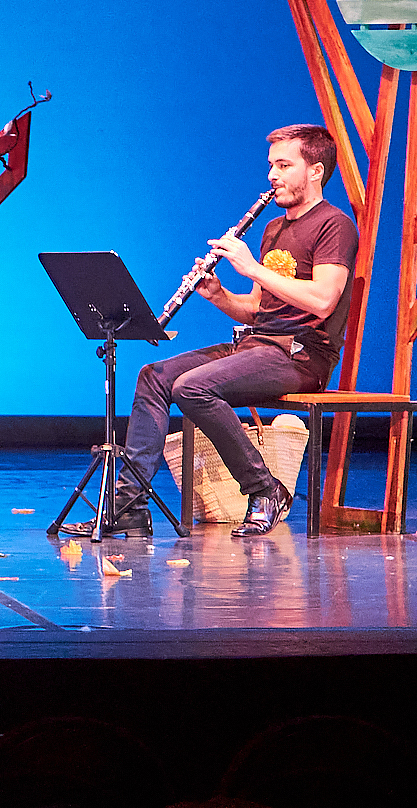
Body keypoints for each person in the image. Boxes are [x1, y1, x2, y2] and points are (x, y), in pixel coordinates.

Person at [112, 123, 355, 538]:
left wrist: (251, 267)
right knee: (154, 376)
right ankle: (129, 505)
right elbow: (258, 308)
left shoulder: (334, 225)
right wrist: (219, 294)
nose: (272, 175)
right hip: (257, 346)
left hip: (302, 354)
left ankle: (265, 489)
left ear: (315, 171)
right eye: (271, 166)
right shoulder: (274, 229)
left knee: (192, 388)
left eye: (284, 166)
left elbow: (322, 300)